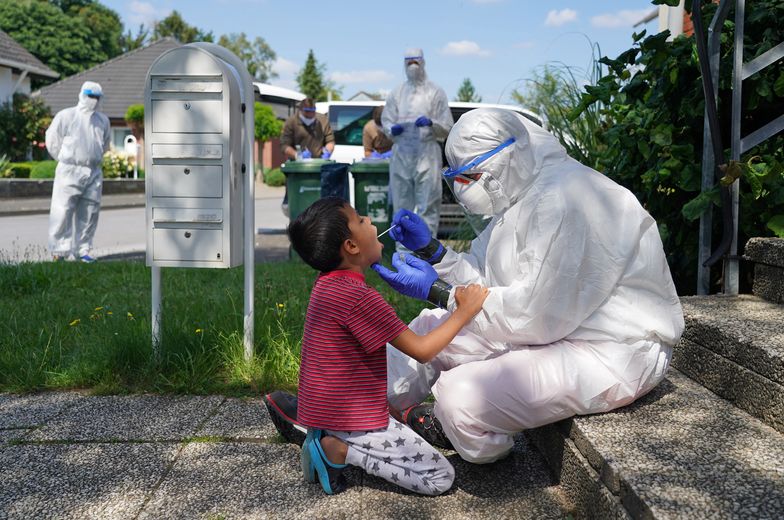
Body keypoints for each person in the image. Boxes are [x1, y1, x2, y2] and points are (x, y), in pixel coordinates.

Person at [267, 108, 685, 466]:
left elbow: (534, 317)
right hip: (553, 330)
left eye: (471, 176)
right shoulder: (522, 195)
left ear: (507, 159)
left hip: (610, 350)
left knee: (461, 397)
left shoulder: (567, 201)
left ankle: (480, 446)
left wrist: (441, 292)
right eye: (458, 177)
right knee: (431, 326)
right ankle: (346, 416)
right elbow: (487, 277)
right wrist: (436, 255)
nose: (464, 188)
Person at [279, 196, 488, 495]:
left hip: (329, 410)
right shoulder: (360, 298)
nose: (372, 222)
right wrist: (464, 311)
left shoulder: (326, 285)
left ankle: (324, 433)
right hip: (354, 421)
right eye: (361, 220)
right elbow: (423, 350)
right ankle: (337, 449)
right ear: (351, 247)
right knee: (441, 478)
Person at [382, 48, 453, 239]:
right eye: (408, 62)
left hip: (427, 152)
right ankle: (404, 254)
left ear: (423, 62)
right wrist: (392, 129)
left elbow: (447, 126)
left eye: (416, 61)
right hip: (402, 154)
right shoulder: (397, 93)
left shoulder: (435, 92)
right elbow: (386, 120)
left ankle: (427, 253)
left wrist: (432, 123)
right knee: (401, 204)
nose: (412, 66)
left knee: (428, 203)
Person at [45, 81, 111, 263]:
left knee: (90, 211)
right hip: (69, 169)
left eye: (97, 97)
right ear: (82, 94)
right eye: (90, 96)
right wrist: (64, 158)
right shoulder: (66, 116)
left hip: (93, 171)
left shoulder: (102, 120)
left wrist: (92, 159)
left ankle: (83, 250)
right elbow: (52, 140)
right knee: (62, 209)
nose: (93, 101)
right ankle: (59, 251)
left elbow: (104, 144)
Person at [279, 98, 335, 216]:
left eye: (313, 111)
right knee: (294, 201)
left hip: (318, 166)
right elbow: (284, 145)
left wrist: (327, 152)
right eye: (307, 111)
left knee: (319, 201)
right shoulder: (292, 122)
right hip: (298, 168)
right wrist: (297, 155)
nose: (310, 114)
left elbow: (330, 140)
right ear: (301, 110)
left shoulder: (322, 120)